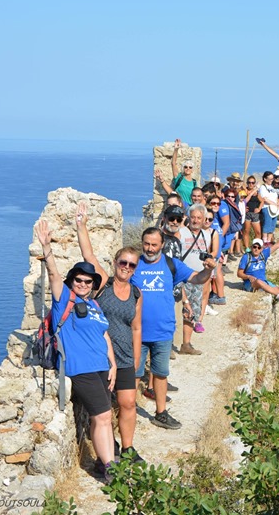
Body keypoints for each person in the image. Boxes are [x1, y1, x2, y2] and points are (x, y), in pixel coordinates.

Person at [36, 216, 118, 482]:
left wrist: (113, 363)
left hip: (101, 367)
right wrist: (47, 249)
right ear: (72, 281)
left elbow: (104, 334)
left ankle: (102, 463)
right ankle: (108, 467)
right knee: (103, 415)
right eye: (79, 280)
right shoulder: (65, 300)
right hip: (80, 367)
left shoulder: (94, 305)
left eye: (88, 281)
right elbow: (53, 275)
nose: (83, 284)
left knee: (103, 417)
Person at [74, 202, 145, 465]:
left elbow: (136, 328)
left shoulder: (137, 294)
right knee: (102, 410)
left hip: (125, 357)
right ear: (115, 263)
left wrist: (138, 361)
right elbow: (89, 256)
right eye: (123, 262)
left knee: (128, 404)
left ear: (135, 269)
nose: (126, 267)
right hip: (100, 356)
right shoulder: (104, 284)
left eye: (131, 265)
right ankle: (106, 451)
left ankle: (127, 448)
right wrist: (81, 225)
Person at [131, 227, 216, 429]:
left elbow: (197, 278)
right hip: (136, 333)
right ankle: (128, 412)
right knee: (133, 374)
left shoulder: (171, 265)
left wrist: (209, 269)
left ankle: (160, 413)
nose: (150, 249)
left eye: (154, 244)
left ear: (162, 245)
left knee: (161, 374)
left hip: (163, 331)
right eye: (146, 244)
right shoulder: (133, 264)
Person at [178, 204, 213, 343]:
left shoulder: (206, 235)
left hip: (198, 276)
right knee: (182, 308)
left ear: (204, 219)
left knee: (194, 308)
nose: (196, 220)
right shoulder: (181, 233)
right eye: (193, 217)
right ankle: (178, 340)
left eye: (199, 217)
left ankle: (187, 342)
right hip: (184, 277)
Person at [168, 138, 198, 205]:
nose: (188, 168)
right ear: (183, 168)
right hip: (179, 207)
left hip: (189, 208)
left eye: (190, 167)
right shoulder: (179, 178)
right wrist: (176, 149)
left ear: (192, 170)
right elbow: (173, 163)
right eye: (185, 167)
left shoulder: (194, 182)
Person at [257, 171, 279, 245]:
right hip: (267, 207)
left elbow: (276, 196)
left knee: (272, 224)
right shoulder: (263, 187)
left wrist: (277, 202)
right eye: (270, 179)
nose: (272, 180)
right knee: (267, 224)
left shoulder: (272, 187)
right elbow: (264, 198)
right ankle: (264, 241)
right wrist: (273, 203)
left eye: (272, 178)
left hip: (274, 209)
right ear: (265, 179)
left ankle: (269, 241)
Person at [242, 175, 262, 253]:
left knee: (258, 232)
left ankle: (255, 246)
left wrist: (259, 208)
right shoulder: (244, 191)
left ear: (254, 183)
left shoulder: (256, 193)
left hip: (255, 214)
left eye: (252, 183)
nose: (251, 184)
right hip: (247, 214)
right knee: (246, 231)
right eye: (249, 182)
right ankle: (247, 248)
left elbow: (262, 201)